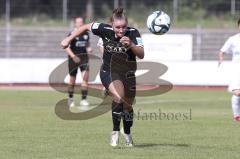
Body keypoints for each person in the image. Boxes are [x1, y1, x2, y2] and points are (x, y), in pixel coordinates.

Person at [61, 8, 144, 147]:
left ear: (127, 24)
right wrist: (68, 39)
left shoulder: (133, 33)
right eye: (117, 27)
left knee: (128, 107)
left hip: (128, 74)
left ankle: (127, 132)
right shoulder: (104, 29)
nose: (121, 30)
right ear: (112, 25)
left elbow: (141, 54)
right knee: (118, 96)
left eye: (124, 27)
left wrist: (131, 44)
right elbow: (86, 26)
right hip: (109, 71)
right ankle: (115, 131)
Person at [64, 17, 92, 109]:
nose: (80, 24)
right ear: (75, 24)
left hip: (84, 59)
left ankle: (84, 99)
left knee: (85, 79)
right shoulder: (72, 34)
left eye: (81, 22)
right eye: (78, 22)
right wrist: (73, 56)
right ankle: (70, 99)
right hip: (73, 59)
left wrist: (89, 49)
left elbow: (87, 44)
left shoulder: (86, 34)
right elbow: (66, 46)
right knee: (72, 80)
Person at [218, 18, 240, 122]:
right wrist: (221, 62)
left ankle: (237, 116)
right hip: (236, 69)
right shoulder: (233, 39)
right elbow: (222, 51)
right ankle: (237, 115)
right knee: (237, 93)